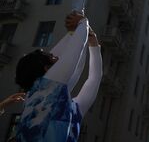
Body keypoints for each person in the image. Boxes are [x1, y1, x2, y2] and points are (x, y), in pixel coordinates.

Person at [15, 12, 102, 141]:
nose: (57, 57)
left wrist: (91, 40)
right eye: (52, 57)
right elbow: (74, 54)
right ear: (46, 69)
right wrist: (83, 23)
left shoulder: (64, 105)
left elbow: (86, 74)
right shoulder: (45, 87)